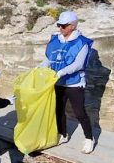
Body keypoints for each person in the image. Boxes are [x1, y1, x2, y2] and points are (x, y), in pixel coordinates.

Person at [40, 11, 96, 153]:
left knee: (79, 112)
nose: (60, 28)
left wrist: (61, 72)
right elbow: (48, 59)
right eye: (59, 25)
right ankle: (63, 134)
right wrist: (39, 69)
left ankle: (89, 138)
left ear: (72, 26)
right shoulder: (55, 40)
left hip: (74, 84)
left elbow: (78, 64)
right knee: (58, 110)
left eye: (63, 26)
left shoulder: (82, 42)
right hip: (58, 83)